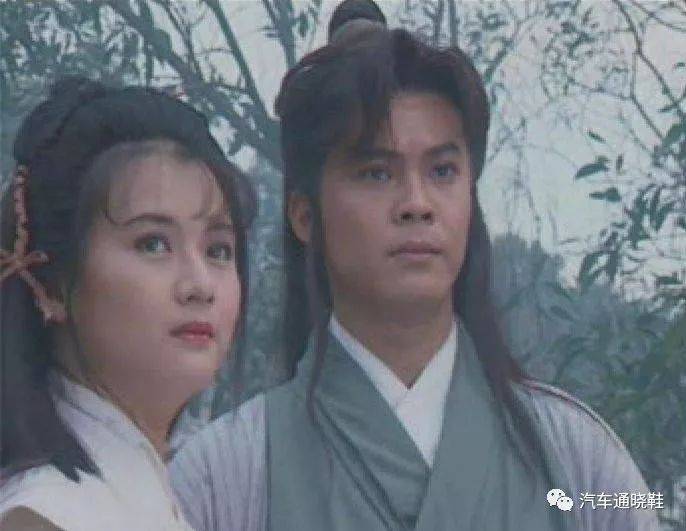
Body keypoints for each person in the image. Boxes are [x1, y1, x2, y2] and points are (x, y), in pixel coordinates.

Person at [170, 1, 659, 530]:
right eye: (377, 173)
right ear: (305, 216)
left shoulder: (578, 464)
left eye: (443, 171)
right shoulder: (224, 477)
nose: (417, 203)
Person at [0, 76, 254, 530]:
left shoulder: (145, 495)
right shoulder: (43, 514)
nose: (200, 286)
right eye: (153, 244)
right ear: (51, 282)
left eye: (218, 250)